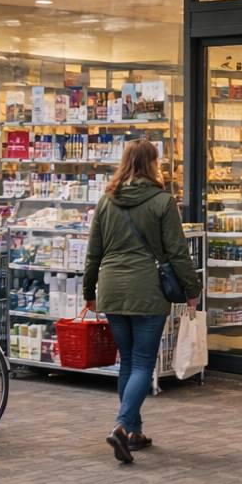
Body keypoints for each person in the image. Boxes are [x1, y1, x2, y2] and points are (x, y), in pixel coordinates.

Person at [83, 138, 201, 464]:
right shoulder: (162, 202)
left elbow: (93, 252)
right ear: (153, 164)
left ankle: (134, 434)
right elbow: (177, 252)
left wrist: (88, 292)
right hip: (147, 289)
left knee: (127, 360)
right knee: (142, 362)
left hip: (111, 289)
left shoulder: (107, 201)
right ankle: (122, 426)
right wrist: (192, 290)